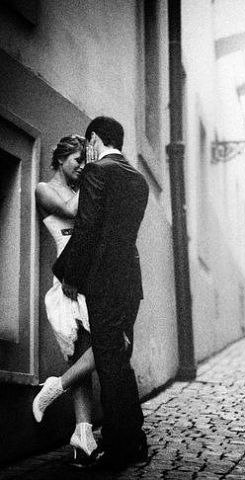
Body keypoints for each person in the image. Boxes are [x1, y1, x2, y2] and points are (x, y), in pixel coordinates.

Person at [53, 116, 150, 470]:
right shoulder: (138, 179)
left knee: (110, 364)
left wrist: (70, 274)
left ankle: (121, 447)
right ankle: (133, 440)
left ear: (94, 138)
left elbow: (88, 227)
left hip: (104, 283)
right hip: (130, 282)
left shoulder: (97, 170)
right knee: (120, 360)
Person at [33, 135, 99, 465]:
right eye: (78, 161)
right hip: (68, 279)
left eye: (86, 162)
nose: (83, 167)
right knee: (83, 357)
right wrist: (95, 174)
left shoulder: (80, 189)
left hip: (88, 274)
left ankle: (55, 387)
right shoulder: (44, 189)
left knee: (111, 344)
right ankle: (83, 440)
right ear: (61, 159)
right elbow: (72, 211)